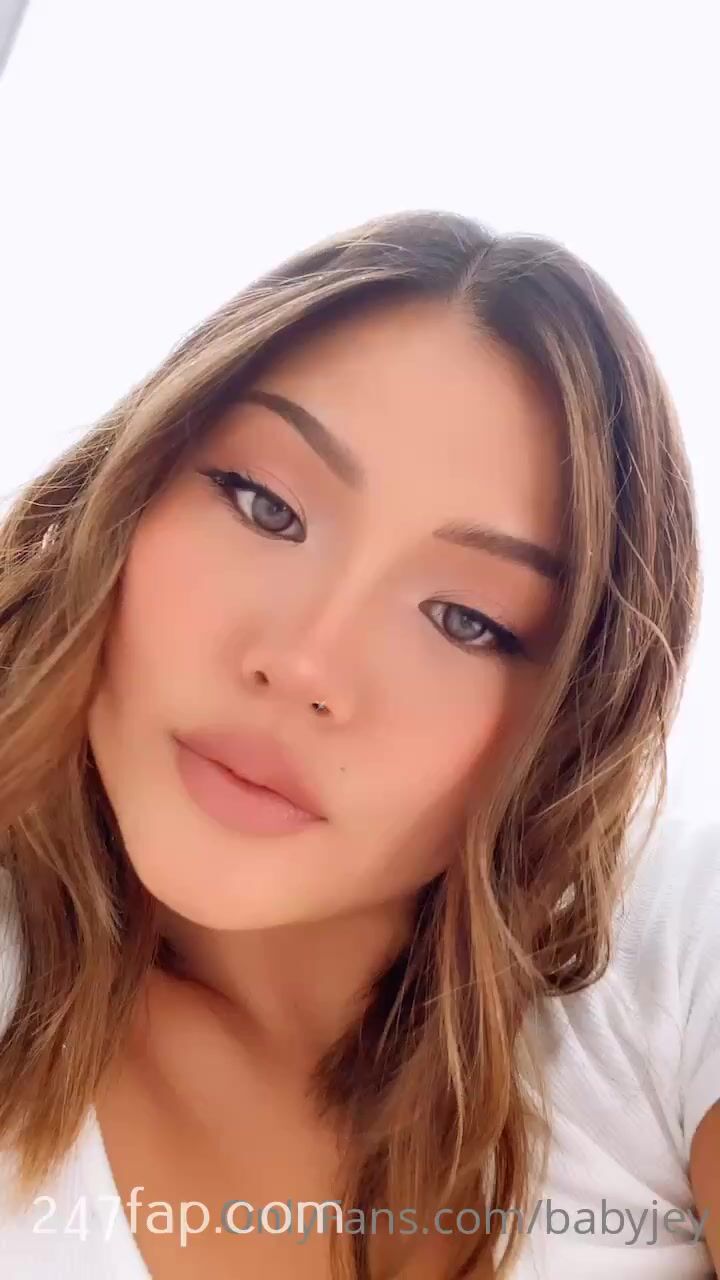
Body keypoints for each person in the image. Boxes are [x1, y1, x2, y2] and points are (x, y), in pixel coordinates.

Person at [0, 208, 716, 1280]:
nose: (304, 663)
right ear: (131, 485)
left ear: (575, 723)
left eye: (466, 620)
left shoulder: (666, 951)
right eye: (264, 505)